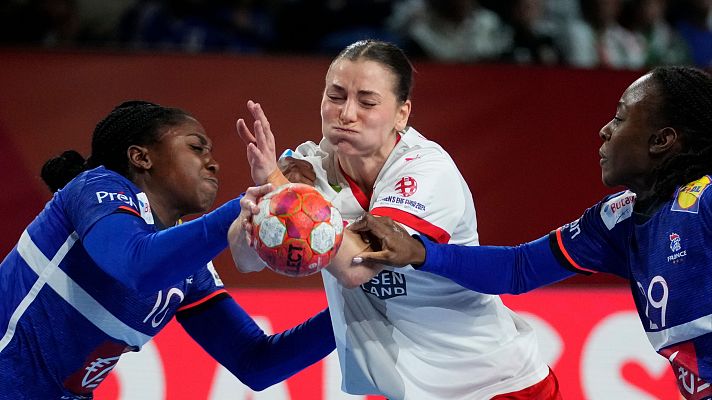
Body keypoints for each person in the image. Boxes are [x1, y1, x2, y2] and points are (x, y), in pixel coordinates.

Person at [348, 65, 712, 399]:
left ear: (661, 140)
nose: (605, 130)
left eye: (620, 117)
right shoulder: (618, 220)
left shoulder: (705, 200)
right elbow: (518, 268)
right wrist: (421, 252)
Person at [236, 40, 561, 399]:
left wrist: (281, 189)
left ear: (402, 114)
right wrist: (270, 199)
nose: (346, 114)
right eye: (336, 96)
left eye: (367, 102)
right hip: (409, 390)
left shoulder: (425, 171)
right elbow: (245, 258)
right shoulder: (309, 165)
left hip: (493, 386)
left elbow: (357, 266)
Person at [0, 100, 335, 399]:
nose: (213, 163)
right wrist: (257, 198)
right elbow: (139, 266)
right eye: (197, 148)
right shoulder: (95, 188)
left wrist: (357, 306)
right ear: (141, 157)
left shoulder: (189, 271)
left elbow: (256, 362)